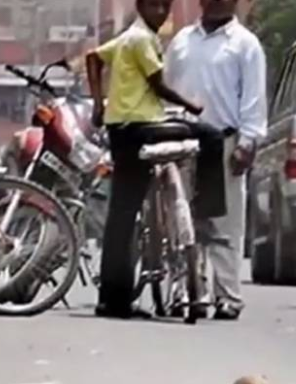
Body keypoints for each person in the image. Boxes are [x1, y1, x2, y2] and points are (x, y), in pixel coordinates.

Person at [86, 0, 224, 319]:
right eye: (154, 6)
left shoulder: (125, 38)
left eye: (165, 6)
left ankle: (113, 299)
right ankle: (207, 209)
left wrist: (98, 105)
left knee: (122, 216)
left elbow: (93, 59)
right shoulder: (141, 38)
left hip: (119, 130)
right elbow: (158, 85)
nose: (161, 13)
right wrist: (192, 106)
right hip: (143, 128)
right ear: (140, 6)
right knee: (211, 136)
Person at [164, 0, 267, 321]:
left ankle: (228, 296)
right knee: (181, 222)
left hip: (223, 143)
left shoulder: (245, 44)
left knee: (225, 225)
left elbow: (253, 98)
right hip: (181, 140)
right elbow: (165, 87)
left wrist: (248, 142)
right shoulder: (182, 41)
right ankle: (187, 290)